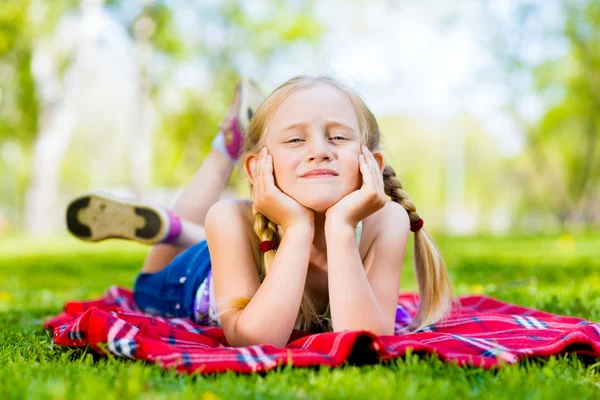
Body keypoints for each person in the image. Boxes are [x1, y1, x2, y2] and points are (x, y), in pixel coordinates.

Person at [66, 75, 457, 348]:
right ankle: (219, 160)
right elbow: (255, 339)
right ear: (257, 168)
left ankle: (178, 228)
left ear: (370, 161)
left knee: (206, 234)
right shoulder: (228, 218)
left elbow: (366, 339)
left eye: (338, 137)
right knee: (146, 284)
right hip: (203, 273)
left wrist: (339, 229)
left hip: (258, 239)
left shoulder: (385, 221)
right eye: (295, 139)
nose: (319, 149)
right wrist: (298, 228)